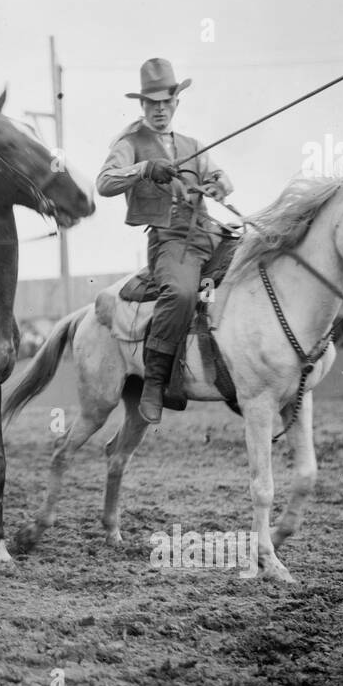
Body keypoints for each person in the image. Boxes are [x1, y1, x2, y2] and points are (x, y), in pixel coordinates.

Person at [96, 58, 234, 423]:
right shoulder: (130, 142)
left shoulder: (192, 144)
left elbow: (223, 179)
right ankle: (155, 380)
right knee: (183, 293)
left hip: (208, 228)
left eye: (166, 103)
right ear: (142, 105)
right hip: (170, 238)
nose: (159, 110)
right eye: (152, 103)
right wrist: (143, 168)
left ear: (176, 103)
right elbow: (105, 182)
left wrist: (215, 184)